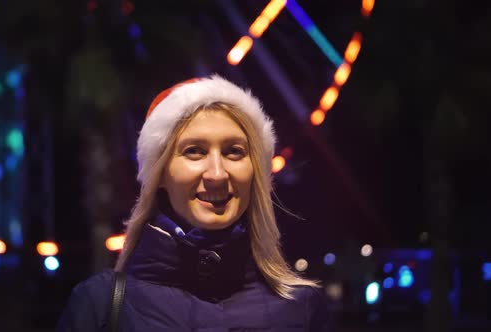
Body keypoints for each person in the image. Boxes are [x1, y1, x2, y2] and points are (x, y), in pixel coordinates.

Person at [57, 75, 331, 331]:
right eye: (194, 152)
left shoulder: (303, 310)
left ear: (255, 172)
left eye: (234, 152)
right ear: (160, 173)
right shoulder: (100, 306)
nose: (217, 173)